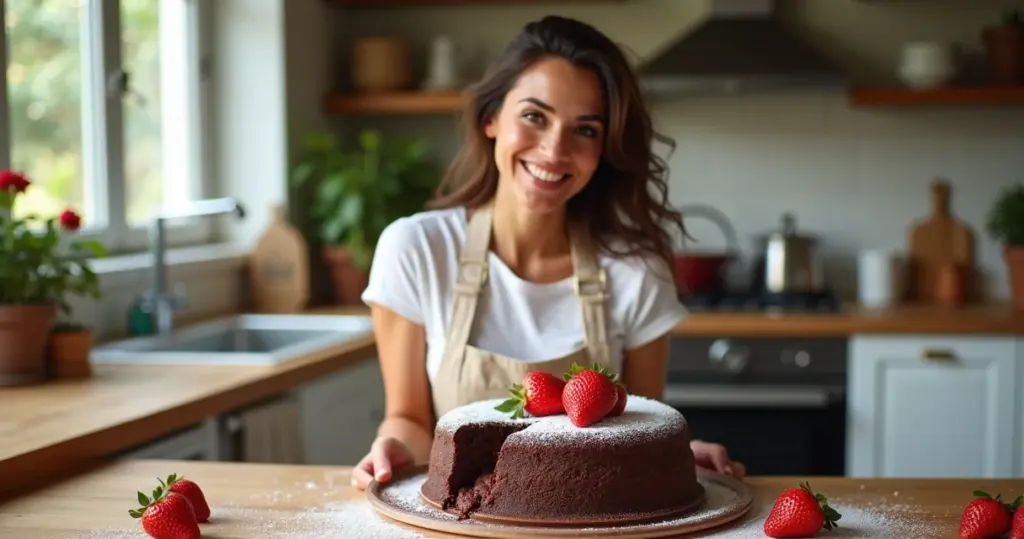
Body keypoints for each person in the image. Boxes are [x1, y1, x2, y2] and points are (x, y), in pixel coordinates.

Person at [352, 15, 745, 490]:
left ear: (604, 149)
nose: (554, 150)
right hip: (460, 521)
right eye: (535, 116)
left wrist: (675, 456)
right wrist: (393, 447)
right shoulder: (416, 249)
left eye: (585, 130)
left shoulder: (635, 271)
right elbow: (410, 419)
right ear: (491, 117)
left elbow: (637, 431)